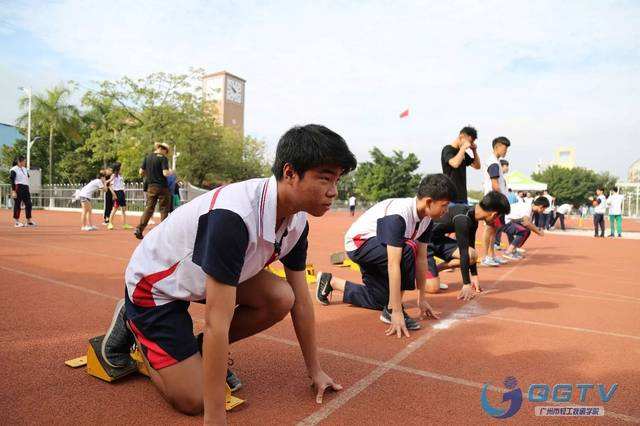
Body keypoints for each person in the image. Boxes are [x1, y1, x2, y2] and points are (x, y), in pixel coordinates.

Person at [100, 125, 356, 421]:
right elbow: (216, 322)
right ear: (290, 173)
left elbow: (300, 300)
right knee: (195, 399)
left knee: (281, 297)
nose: (334, 191)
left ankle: (197, 353)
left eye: (337, 180)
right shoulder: (233, 218)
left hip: (202, 276)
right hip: (156, 287)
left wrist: (315, 371)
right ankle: (135, 328)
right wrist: (215, 415)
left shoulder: (297, 223)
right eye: (325, 178)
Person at [315, 174, 456, 337]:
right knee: (409, 247)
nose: (446, 211)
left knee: (380, 299)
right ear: (429, 202)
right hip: (359, 244)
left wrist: (422, 298)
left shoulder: (427, 220)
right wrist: (396, 310)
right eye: (444, 205)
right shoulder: (399, 215)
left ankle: (331, 282)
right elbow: (393, 263)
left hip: (379, 248)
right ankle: (391, 310)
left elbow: (422, 258)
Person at [426, 191, 511, 301]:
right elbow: (463, 252)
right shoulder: (462, 218)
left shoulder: (473, 215)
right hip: (424, 243)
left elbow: (470, 246)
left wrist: (474, 276)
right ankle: (417, 273)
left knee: (473, 255)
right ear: (494, 214)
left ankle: (436, 270)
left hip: (438, 240)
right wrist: (466, 284)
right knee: (433, 288)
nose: (496, 221)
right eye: (498, 217)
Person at [481, 136, 511, 266]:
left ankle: (491, 255)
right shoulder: (493, 162)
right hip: (494, 202)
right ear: (497, 146)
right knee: (489, 228)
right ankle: (485, 257)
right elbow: (495, 185)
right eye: (504, 148)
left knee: (494, 229)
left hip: (496, 201)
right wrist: (501, 202)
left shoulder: (496, 162)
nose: (505, 152)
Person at [135, 142, 174, 239]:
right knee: (164, 209)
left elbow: (141, 172)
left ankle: (139, 229)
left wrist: (150, 174)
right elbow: (165, 173)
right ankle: (163, 232)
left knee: (149, 208)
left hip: (151, 187)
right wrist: (171, 172)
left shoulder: (148, 157)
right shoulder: (163, 158)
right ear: (164, 149)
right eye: (166, 152)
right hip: (162, 187)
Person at [440, 126, 481, 204]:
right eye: (468, 142)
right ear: (461, 136)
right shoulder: (448, 149)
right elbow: (455, 163)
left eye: (471, 143)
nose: (469, 145)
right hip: (450, 197)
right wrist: (463, 147)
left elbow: (477, 166)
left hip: (463, 197)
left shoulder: (462, 153)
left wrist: (474, 151)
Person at [9, 155, 36, 227]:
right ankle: (17, 222)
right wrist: (13, 191)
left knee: (29, 204)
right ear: (19, 161)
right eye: (24, 161)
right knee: (17, 205)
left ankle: (29, 221)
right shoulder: (13, 169)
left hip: (25, 187)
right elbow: (12, 180)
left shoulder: (24, 169)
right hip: (18, 187)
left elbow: (27, 177)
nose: (25, 162)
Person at [107, 162, 132, 230]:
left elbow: (121, 185)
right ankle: (110, 223)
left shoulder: (120, 175)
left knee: (123, 209)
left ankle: (124, 224)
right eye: (121, 167)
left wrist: (123, 192)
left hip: (121, 193)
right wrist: (114, 194)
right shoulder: (113, 176)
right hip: (117, 193)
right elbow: (110, 186)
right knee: (114, 209)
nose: (122, 168)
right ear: (118, 168)